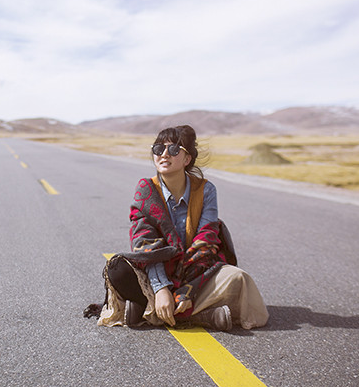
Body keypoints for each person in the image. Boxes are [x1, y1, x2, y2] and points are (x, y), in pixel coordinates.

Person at [95, 125, 269, 331]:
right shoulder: (146, 189)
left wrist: (187, 290)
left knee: (238, 279)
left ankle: (149, 312)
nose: (164, 154)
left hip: (196, 270)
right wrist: (161, 289)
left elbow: (206, 241)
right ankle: (202, 315)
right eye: (158, 149)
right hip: (156, 271)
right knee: (118, 269)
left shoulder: (205, 190)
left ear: (187, 159)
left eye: (174, 150)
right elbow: (146, 246)